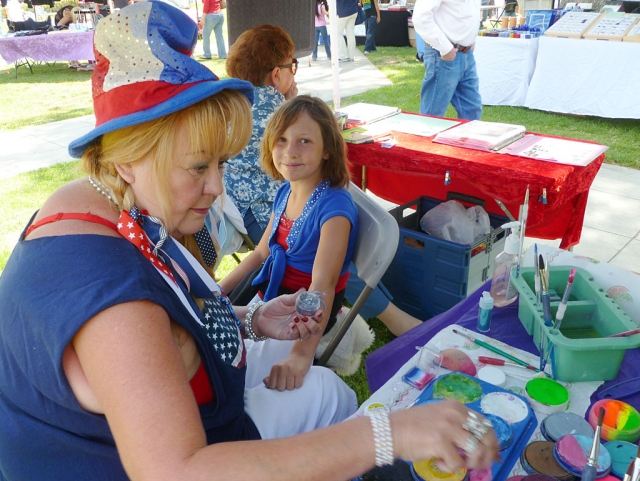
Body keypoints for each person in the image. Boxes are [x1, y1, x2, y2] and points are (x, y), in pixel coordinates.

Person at [0, 3, 501, 479]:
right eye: (200, 166)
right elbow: (178, 470)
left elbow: (174, 322)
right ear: (129, 157)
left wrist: (249, 317)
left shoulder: (96, 201)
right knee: (336, 404)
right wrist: (384, 436)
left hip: (206, 393)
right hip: (183, 450)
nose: (217, 186)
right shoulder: (110, 299)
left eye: (220, 164)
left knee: (327, 389)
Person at [220, 95, 361, 389]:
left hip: (305, 310)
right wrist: (219, 291)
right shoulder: (286, 191)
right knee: (218, 345)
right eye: (281, 140)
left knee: (245, 374)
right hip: (273, 293)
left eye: (305, 141)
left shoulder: (335, 209)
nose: (290, 151)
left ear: (327, 150)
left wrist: (300, 355)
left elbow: (323, 284)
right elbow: (261, 253)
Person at [224, 24, 298, 246]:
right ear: (276, 74)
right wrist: (294, 107)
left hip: (232, 209)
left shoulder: (229, 107)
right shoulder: (284, 119)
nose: (293, 73)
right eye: (291, 66)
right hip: (267, 216)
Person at [413, 0, 483, 120]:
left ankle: (465, 139)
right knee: (432, 116)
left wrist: (471, 38)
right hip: (443, 55)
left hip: (465, 54)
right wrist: (445, 48)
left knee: (472, 113)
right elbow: (421, 18)